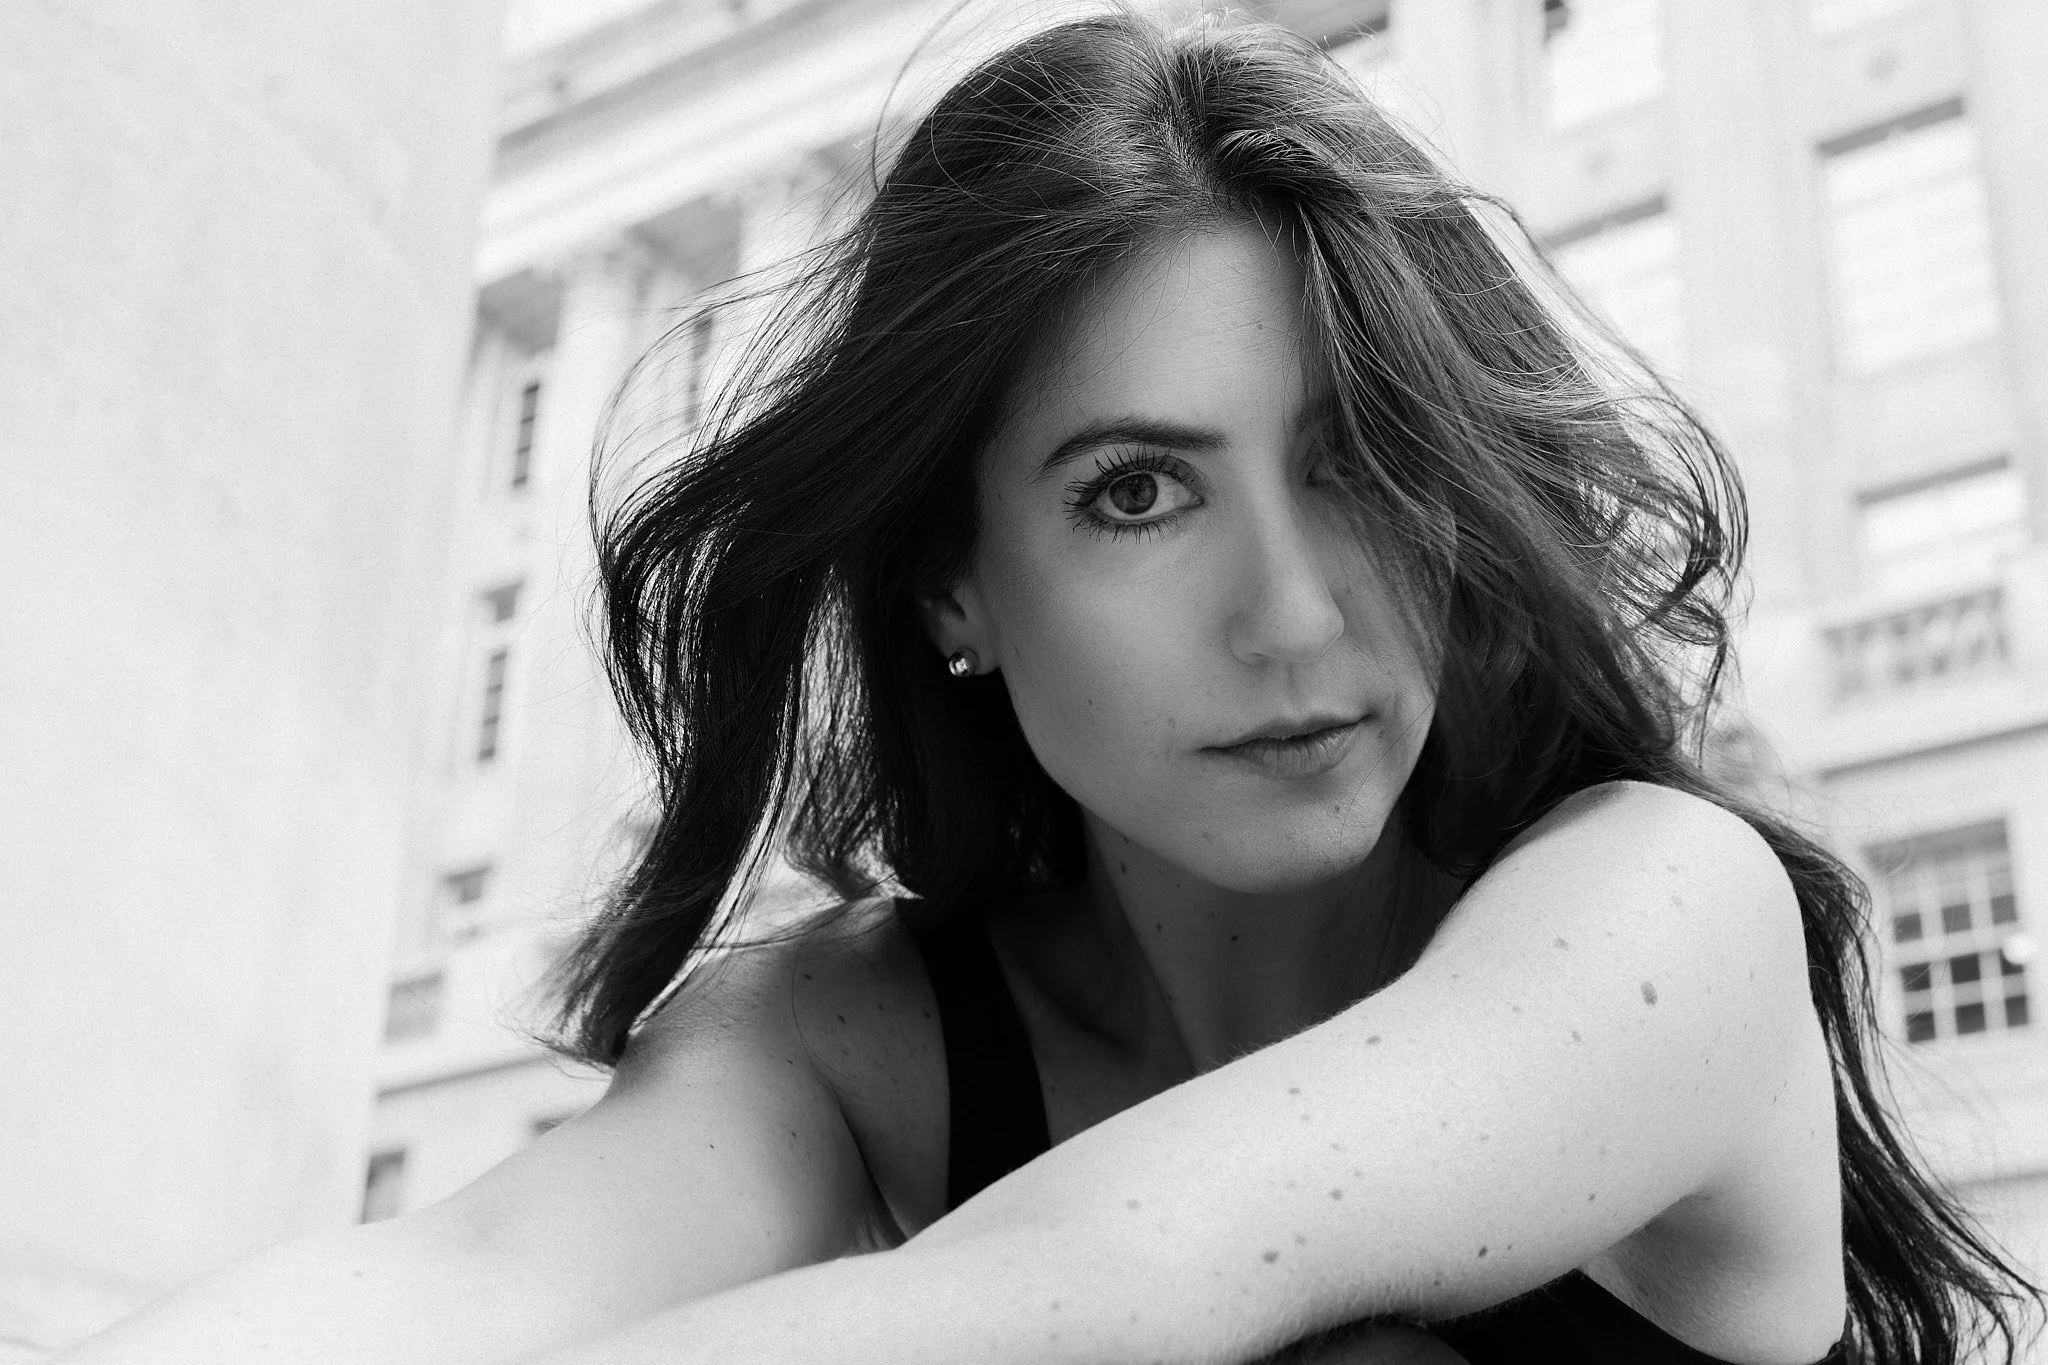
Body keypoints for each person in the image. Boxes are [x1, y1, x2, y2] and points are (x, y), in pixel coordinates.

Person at [62, 9, 2040, 1364]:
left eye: (1357, 457)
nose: (1291, 609)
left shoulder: (1659, 912)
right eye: (1136, 491)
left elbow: (1113, 1278)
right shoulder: (857, 1027)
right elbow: (462, 1284)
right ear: (955, 585)